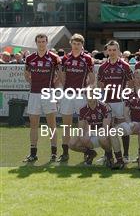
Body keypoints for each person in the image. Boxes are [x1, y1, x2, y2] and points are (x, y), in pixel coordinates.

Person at [23, 34, 61, 163]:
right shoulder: (29, 58)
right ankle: (33, 153)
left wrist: (54, 89)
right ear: (36, 42)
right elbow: (26, 73)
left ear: (47, 42)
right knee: (33, 124)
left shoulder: (54, 58)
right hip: (34, 93)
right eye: (39, 41)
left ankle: (54, 154)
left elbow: (59, 76)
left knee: (52, 125)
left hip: (48, 93)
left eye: (43, 41)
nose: (41, 44)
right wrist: (31, 82)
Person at [57, 34, 95, 162]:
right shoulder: (65, 58)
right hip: (67, 94)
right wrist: (66, 86)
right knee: (66, 125)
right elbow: (61, 74)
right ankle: (65, 153)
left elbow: (92, 77)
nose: (76, 46)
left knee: (83, 126)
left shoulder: (88, 59)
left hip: (81, 95)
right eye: (74, 43)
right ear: (71, 44)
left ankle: (87, 151)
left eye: (79, 44)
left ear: (82, 45)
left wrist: (88, 89)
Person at [97, 40, 134, 161]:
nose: (112, 52)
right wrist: (103, 100)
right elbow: (100, 85)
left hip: (120, 102)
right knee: (107, 129)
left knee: (122, 128)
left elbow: (131, 84)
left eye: (114, 50)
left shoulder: (125, 66)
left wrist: (125, 97)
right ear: (107, 51)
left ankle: (126, 155)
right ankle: (108, 155)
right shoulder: (103, 67)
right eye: (110, 50)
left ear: (118, 51)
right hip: (108, 102)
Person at [116, 69, 140, 170]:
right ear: (133, 79)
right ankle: (119, 161)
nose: (139, 80)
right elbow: (126, 112)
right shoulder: (128, 93)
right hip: (133, 123)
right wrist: (130, 123)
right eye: (137, 78)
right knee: (112, 133)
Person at [69, 96, 117, 167]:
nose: (90, 97)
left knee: (102, 137)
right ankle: (91, 153)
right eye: (88, 95)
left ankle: (109, 157)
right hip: (91, 131)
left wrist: (92, 133)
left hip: (103, 132)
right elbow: (81, 128)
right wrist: (84, 136)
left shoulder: (104, 107)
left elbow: (105, 128)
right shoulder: (83, 109)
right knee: (71, 144)